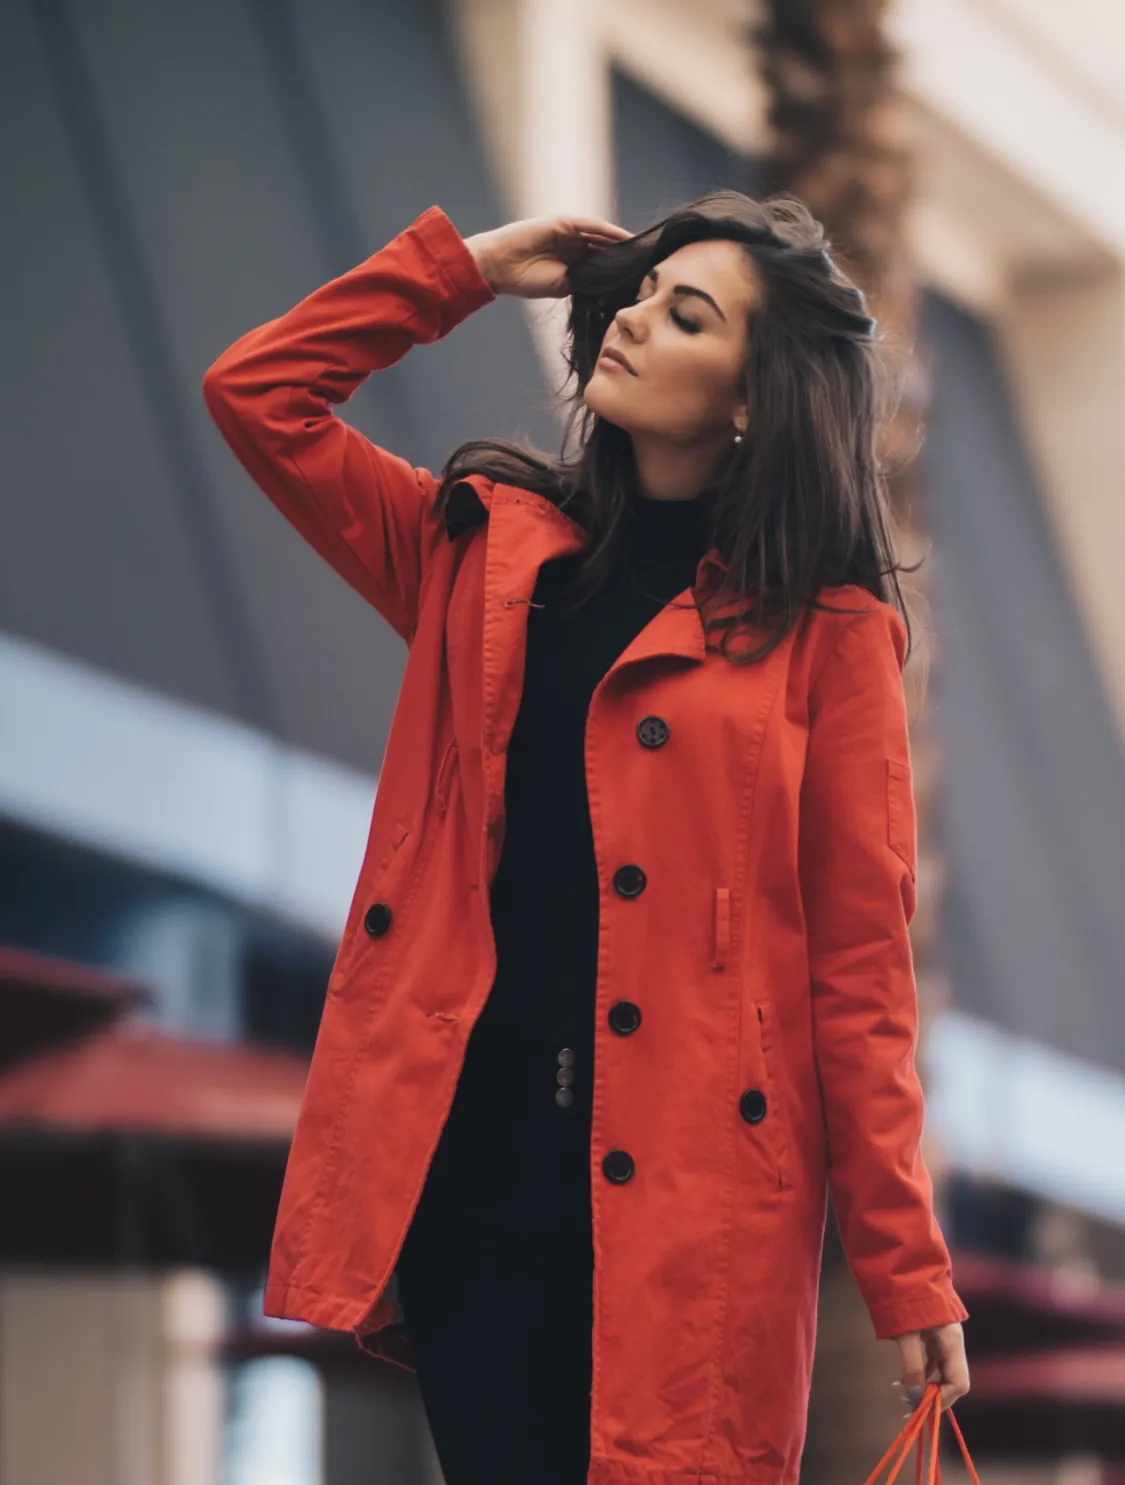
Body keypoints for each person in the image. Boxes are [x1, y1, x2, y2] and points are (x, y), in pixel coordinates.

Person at [202, 191, 970, 1485]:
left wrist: (907, 1267)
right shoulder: (481, 557)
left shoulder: (828, 641)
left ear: (751, 398)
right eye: (639, 295)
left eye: (687, 314)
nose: (631, 322)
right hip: (477, 1189)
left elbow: (861, 981)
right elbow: (259, 395)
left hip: (700, 1214)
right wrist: (459, 271)